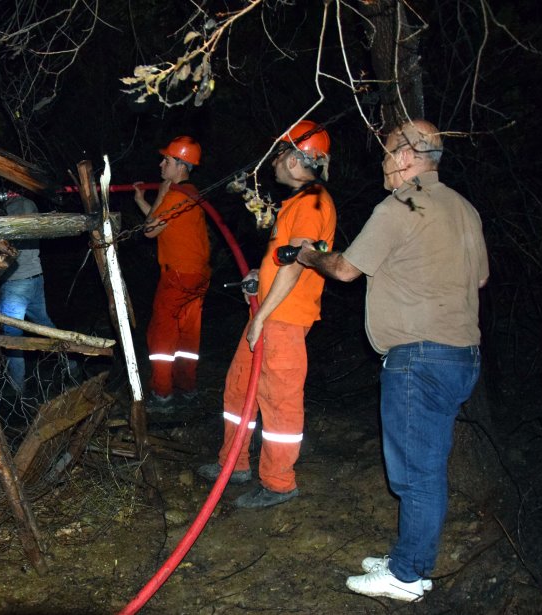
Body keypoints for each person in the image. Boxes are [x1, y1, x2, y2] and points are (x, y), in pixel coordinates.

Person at [297, 119, 488, 602]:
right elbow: (480, 279)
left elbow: (343, 269)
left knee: (415, 475)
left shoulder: (400, 205)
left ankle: (404, 577)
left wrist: (306, 256)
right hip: (462, 357)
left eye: (385, 154)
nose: (382, 163)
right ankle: (414, 564)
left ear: (406, 157)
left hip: (418, 360)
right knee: (428, 468)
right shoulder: (464, 208)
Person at [196, 120, 336, 509]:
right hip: (271, 314)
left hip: (283, 319)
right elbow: (284, 261)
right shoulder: (298, 202)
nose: (273, 161)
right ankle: (234, 464)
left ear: (294, 161)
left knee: (279, 399)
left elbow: (298, 264)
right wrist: (260, 275)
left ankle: (278, 483)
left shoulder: (312, 203)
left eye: (279, 154)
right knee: (240, 387)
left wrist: (261, 317)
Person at [133, 136, 211, 411]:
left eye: (166, 160)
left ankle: (163, 394)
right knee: (187, 336)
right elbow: (160, 223)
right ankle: (187, 388)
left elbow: (149, 230)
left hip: (177, 277)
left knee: (162, 336)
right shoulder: (191, 193)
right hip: (197, 277)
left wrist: (163, 192)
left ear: (180, 165)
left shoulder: (177, 195)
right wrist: (143, 201)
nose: (160, 163)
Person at [0, 195, 67, 395]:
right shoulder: (29, 203)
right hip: (34, 277)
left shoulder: (16, 206)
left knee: (12, 336)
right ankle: (72, 365)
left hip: (16, 281)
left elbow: (7, 242)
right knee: (45, 326)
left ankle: (17, 390)